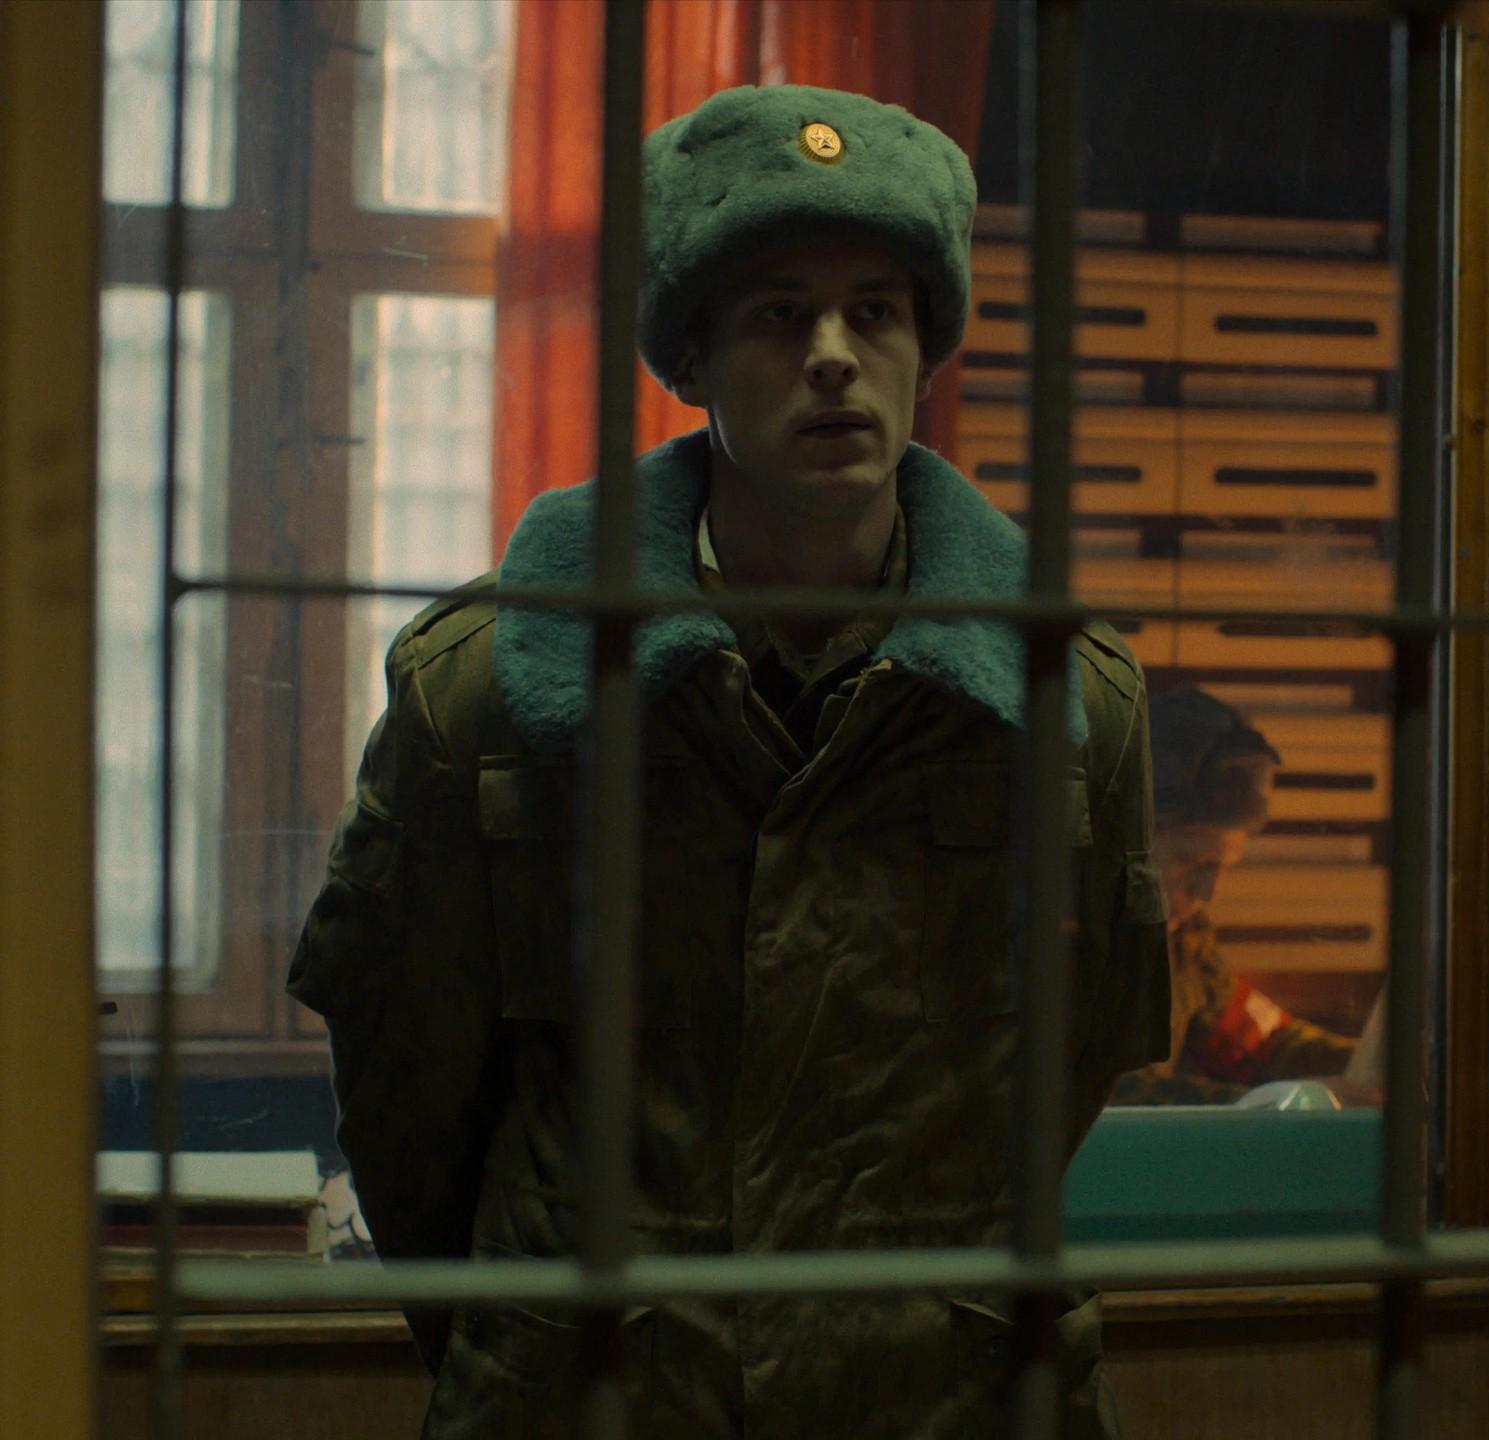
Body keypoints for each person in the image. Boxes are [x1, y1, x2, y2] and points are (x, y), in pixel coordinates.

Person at [286, 85, 1170, 1439]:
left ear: (928, 349)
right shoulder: (494, 687)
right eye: (777, 314)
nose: (834, 356)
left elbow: (1071, 1066)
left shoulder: (1059, 705)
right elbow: (410, 1089)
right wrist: (529, 1330)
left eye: (876, 311)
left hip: (946, 1396)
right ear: (690, 358)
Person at [1108, 687, 1355, 1106]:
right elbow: (1105, 1102)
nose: (1210, 892)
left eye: (1224, 867)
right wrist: (1294, 1103)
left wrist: (1369, 1068)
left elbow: (1256, 1043)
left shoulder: (1180, 935)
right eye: (1193, 863)